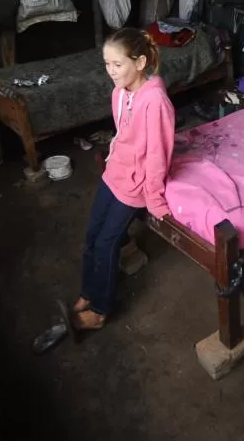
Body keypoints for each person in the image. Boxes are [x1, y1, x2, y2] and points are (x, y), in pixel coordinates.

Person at [72, 29, 175, 331]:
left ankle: (101, 310)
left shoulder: (154, 100)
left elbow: (158, 153)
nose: (111, 71)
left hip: (135, 183)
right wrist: (113, 159)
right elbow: (122, 135)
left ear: (140, 62)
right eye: (107, 64)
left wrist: (154, 197)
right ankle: (89, 291)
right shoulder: (119, 93)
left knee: (107, 243)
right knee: (92, 235)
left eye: (118, 64)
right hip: (114, 171)